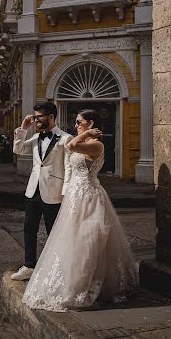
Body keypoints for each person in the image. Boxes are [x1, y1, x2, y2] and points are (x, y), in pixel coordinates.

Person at [22, 109, 138, 311]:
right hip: (75, 194)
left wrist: (84, 134)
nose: (76, 126)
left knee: (87, 240)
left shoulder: (96, 145)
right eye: (76, 123)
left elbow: (71, 145)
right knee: (69, 238)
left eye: (79, 122)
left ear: (90, 123)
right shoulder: (85, 142)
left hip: (88, 196)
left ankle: (85, 284)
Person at [10, 101, 73, 281]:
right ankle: (29, 265)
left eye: (39, 117)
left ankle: (56, 266)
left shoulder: (65, 138)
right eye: (35, 116)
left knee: (54, 231)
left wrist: (65, 192)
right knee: (29, 228)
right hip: (33, 190)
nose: (36, 120)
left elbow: (68, 167)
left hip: (54, 191)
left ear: (51, 117)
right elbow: (18, 149)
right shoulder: (37, 138)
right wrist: (23, 128)